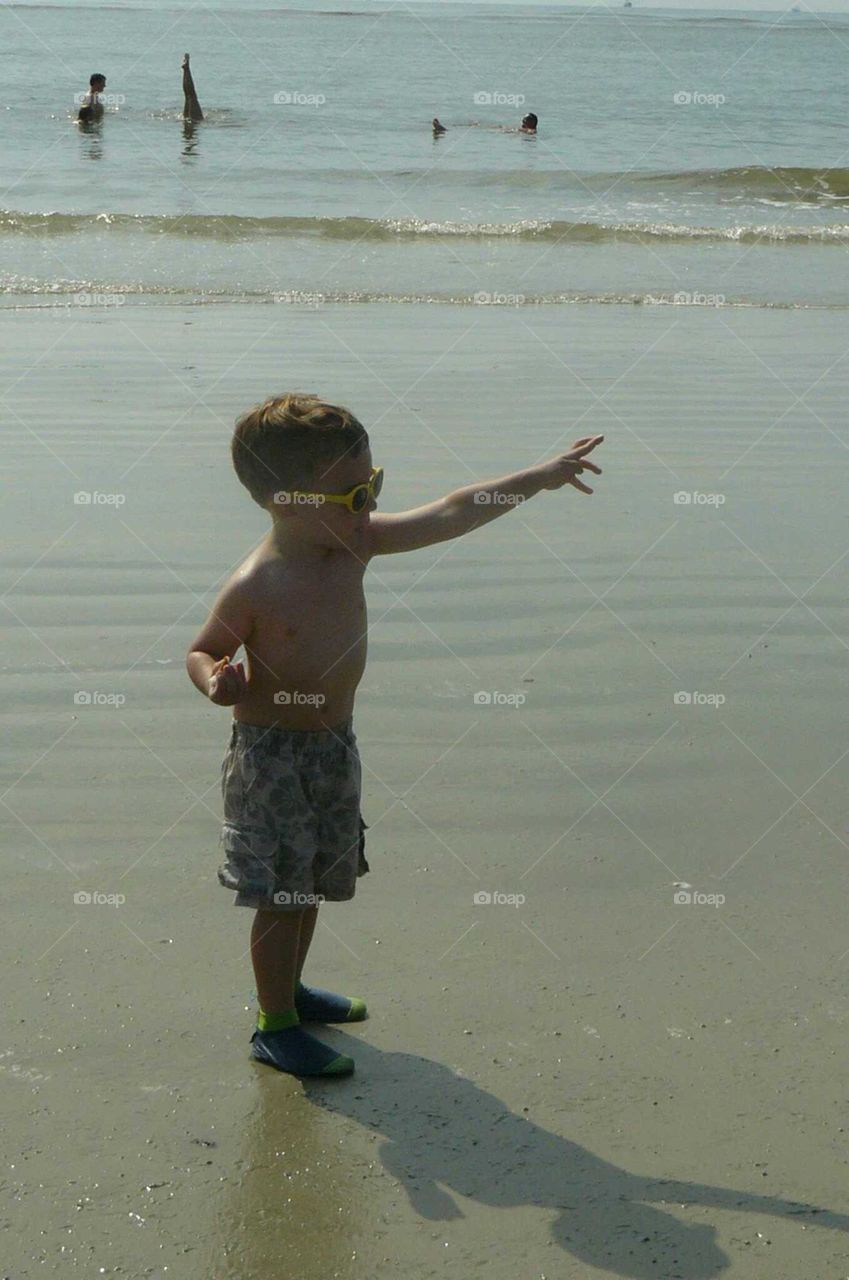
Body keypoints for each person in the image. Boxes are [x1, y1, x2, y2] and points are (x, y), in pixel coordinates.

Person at [186, 393, 603, 1078]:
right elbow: (202, 649)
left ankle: (288, 990)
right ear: (287, 499)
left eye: (371, 487)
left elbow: (450, 511)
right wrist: (215, 680)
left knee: (314, 878)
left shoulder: (354, 544)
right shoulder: (258, 583)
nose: (367, 506)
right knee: (280, 893)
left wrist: (537, 477)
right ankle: (273, 1024)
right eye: (352, 493)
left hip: (332, 747)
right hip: (272, 759)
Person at [182, 52, 203, 122]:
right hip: (195, 118)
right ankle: (186, 69)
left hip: (195, 118)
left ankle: (186, 69)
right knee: (189, 96)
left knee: (189, 96)